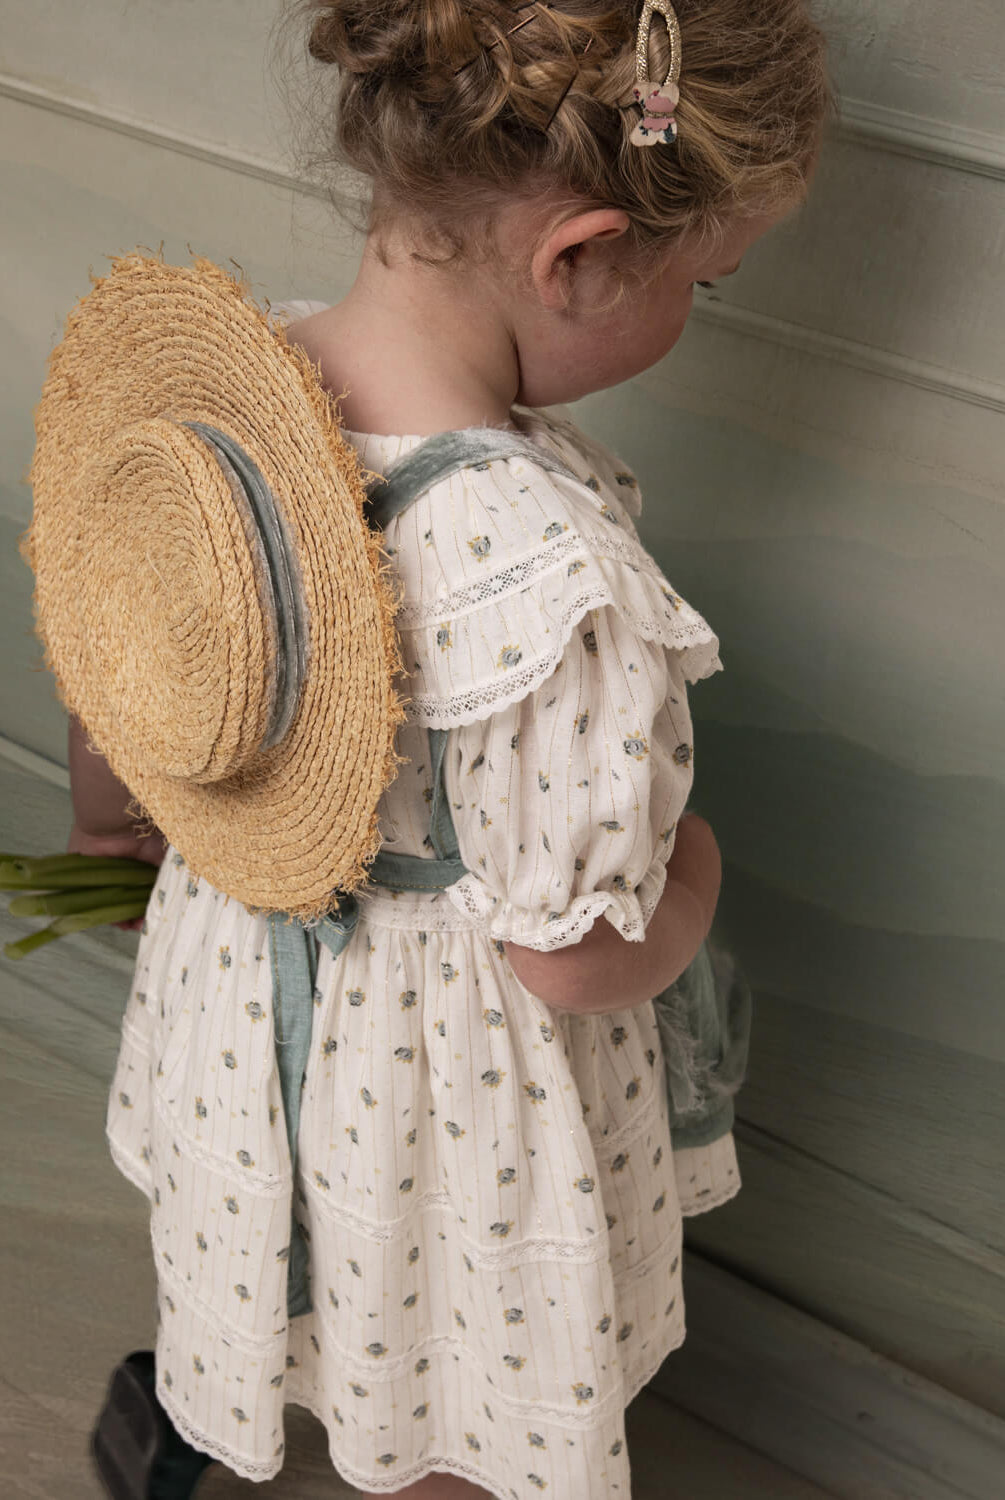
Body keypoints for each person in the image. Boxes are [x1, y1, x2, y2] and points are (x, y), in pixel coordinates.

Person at [70, 2, 829, 1495]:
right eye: (711, 284)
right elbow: (567, 958)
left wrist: (133, 808)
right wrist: (694, 878)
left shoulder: (233, 395)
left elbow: (129, 676)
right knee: (451, 1361)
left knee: (300, 1268)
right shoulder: (548, 578)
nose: (702, 311)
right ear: (581, 254)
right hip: (434, 1084)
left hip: (246, 1004)